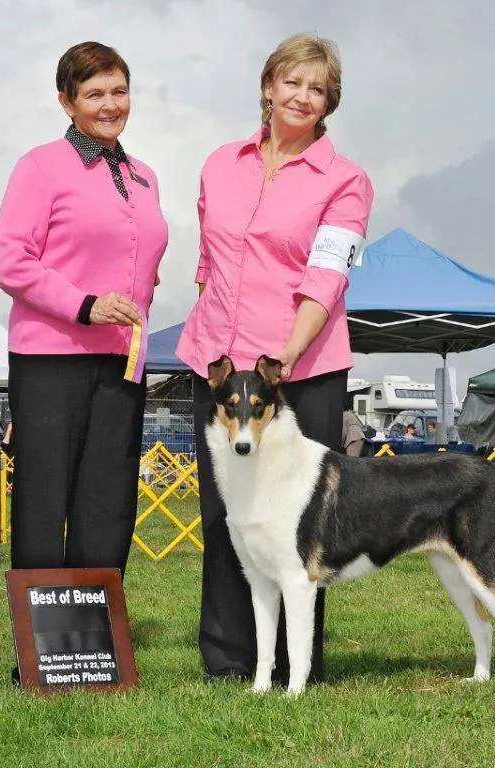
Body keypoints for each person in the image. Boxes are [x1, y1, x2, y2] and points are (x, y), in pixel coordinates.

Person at [175, 33, 373, 685]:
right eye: (292, 82)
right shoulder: (218, 166)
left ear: (329, 104)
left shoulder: (346, 181)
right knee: (228, 515)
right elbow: (206, 264)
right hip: (219, 370)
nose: (302, 96)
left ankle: (297, 665)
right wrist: (208, 344)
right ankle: (227, 658)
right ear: (268, 87)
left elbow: (326, 278)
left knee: (297, 523)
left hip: (298, 371)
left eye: (317, 89)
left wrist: (285, 352)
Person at [0, 41, 168, 576]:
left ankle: (95, 644)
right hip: (51, 360)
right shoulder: (40, 167)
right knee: (44, 502)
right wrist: (85, 305)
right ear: (67, 102)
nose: (110, 103)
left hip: (121, 362)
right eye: (94, 94)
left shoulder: (145, 176)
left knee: (109, 503)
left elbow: (147, 265)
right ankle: (42, 652)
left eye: (119, 90)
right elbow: (10, 261)